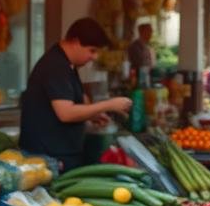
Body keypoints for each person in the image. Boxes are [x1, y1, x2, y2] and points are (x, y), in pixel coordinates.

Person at [20, 18, 131, 170]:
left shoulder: (68, 65)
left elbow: (72, 104)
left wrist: (92, 115)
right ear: (75, 42)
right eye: (92, 50)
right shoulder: (56, 66)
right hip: (49, 158)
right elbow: (65, 113)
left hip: (61, 153)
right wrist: (109, 105)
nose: (94, 57)